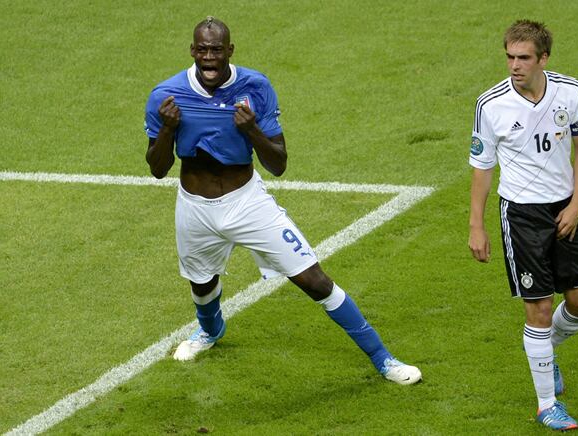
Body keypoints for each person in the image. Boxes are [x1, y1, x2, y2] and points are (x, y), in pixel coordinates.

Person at [144, 16, 421, 385]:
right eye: (202, 50)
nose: (209, 58)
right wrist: (167, 129)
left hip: (247, 203)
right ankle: (210, 332)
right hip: (194, 208)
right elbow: (158, 169)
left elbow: (278, 163)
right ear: (192, 51)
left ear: (230, 51)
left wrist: (252, 130)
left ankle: (384, 359)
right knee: (202, 284)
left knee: (314, 280)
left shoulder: (255, 87)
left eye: (216, 50)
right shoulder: (166, 96)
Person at [467, 20, 578, 431]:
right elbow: (482, 168)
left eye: (523, 57)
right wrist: (477, 225)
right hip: (521, 215)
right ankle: (547, 404)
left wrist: (577, 202)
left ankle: (547, 351)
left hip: (564, 209)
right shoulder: (491, 105)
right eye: (509, 56)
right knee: (539, 309)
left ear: (544, 58)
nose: (514, 65)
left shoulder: (569, 91)